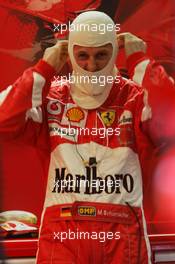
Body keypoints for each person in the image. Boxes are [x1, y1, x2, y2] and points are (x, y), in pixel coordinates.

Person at [0, 11, 175, 264]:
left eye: (101, 55)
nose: (91, 66)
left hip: (123, 238)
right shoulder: (52, 99)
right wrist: (45, 68)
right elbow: (4, 120)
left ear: (114, 51)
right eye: (82, 55)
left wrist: (141, 61)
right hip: (62, 239)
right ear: (70, 53)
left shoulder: (135, 99)